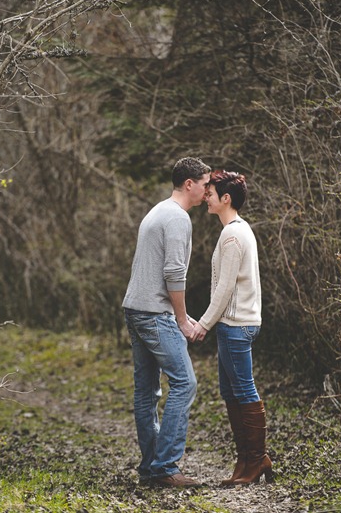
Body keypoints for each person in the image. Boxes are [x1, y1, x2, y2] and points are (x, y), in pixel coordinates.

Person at [123, 157, 211, 488]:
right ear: (189, 184)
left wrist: (179, 315)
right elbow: (174, 272)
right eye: (204, 183)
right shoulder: (176, 219)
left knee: (146, 391)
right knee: (185, 383)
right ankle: (165, 467)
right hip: (152, 313)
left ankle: (151, 469)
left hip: (135, 308)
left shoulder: (159, 211)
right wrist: (181, 318)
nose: (207, 190)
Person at [192, 170, 273, 486]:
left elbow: (224, 288)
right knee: (231, 392)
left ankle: (257, 459)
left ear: (226, 198)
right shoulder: (237, 230)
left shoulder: (233, 235)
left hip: (236, 325)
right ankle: (245, 461)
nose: (206, 197)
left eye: (210, 192)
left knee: (243, 391)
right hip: (236, 324)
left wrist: (203, 325)